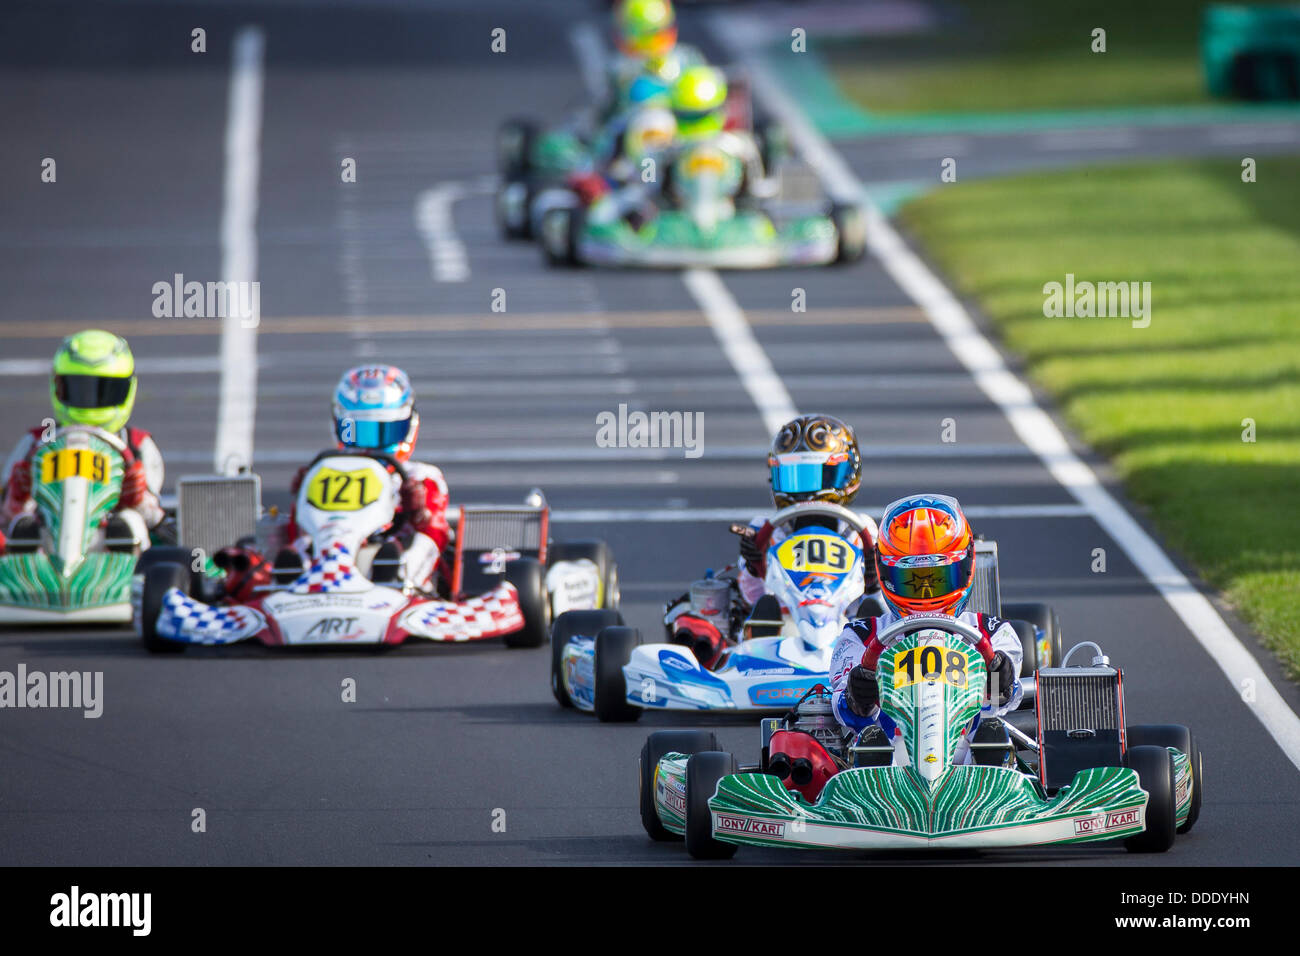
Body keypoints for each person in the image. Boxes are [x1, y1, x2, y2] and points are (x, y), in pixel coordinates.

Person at [829, 494, 1023, 763]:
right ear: (887, 574)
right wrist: (857, 695)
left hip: (968, 762)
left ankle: (992, 777)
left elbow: (999, 702)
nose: (927, 592)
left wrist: (998, 679)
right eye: (912, 581)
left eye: (938, 579)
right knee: (870, 742)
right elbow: (843, 708)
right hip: (890, 764)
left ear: (965, 566)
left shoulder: (992, 633)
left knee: (992, 732)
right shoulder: (859, 637)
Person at [278, 366, 450, 593]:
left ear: (407, 426)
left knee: (420, 543)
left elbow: (438, 532)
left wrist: (418, 513)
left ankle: (398, 579)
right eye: (356, 432)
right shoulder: (323, 470)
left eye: (384, 432)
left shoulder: (421, 477)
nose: (369, 445)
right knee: (298, 547)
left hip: (388, 562)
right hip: (330, 559)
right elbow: (298, 530)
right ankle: (288, 581)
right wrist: (303, 496)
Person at [0, 330, 165, 550]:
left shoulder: (136, 444)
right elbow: (6, 518)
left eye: (103, 390)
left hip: (110, 551)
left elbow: (157, 522)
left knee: (129, 522)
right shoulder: (37, 442)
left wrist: (137, 500)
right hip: (46, 550)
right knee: (23, 525)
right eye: (78, 388)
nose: (89, 399)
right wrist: (18, 499)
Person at [736, 414, 879, 610]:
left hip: (847, 629)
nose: (804, 492)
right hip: (786, 630)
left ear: (847, 473)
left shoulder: (859, 532)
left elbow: (881, 609)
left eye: (816, 476)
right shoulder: (767, 532)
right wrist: (754, 568)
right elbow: (754, 602)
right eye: (793, 477)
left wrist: (875, 580)